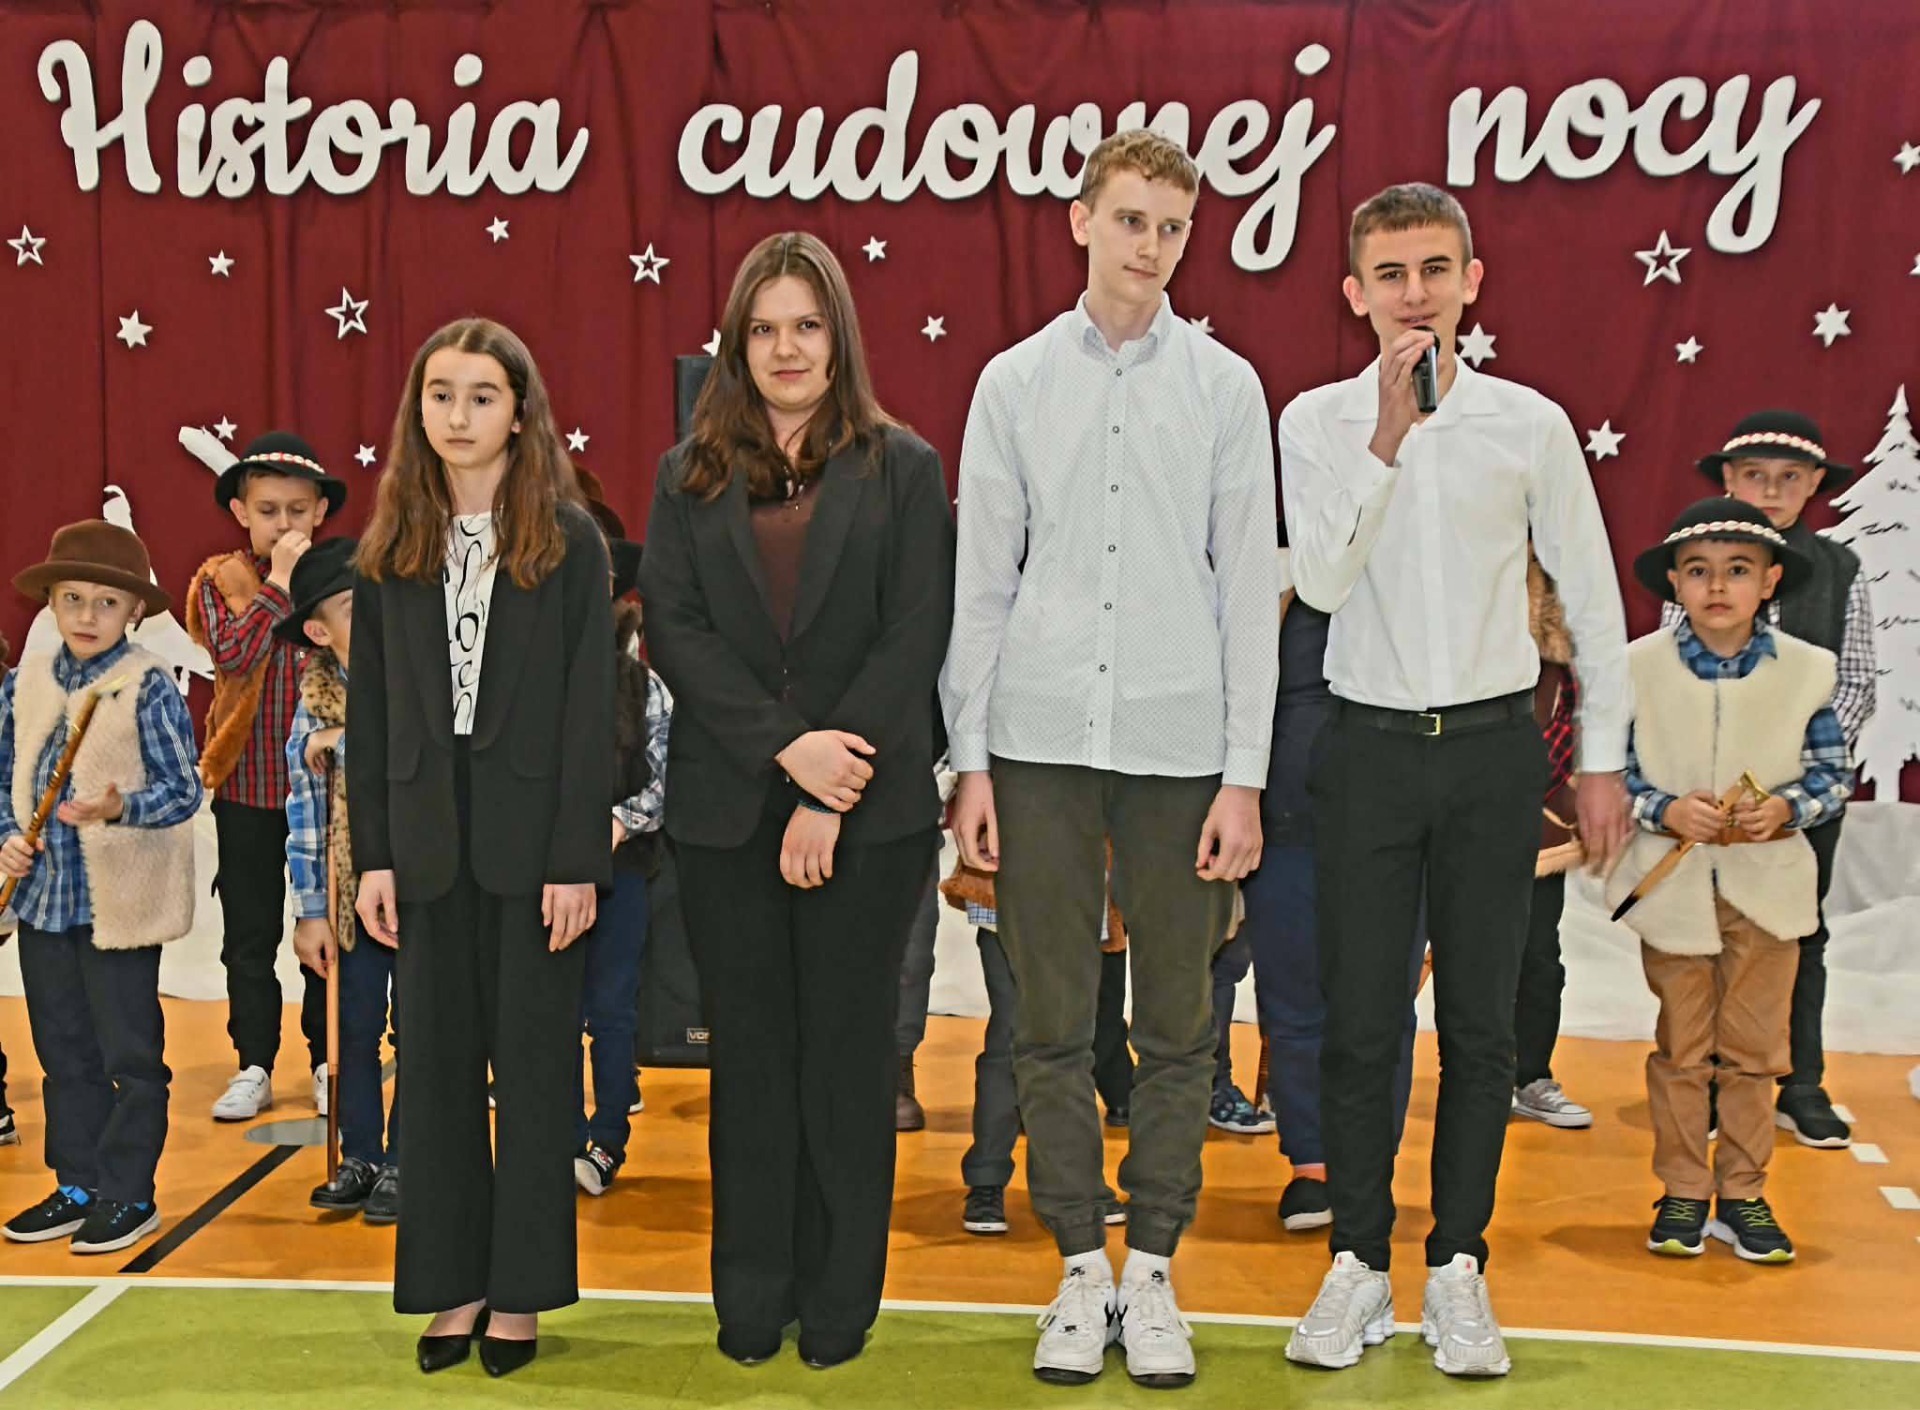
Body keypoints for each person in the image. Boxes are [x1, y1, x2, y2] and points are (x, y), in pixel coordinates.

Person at [943, 128, 1278, 1390]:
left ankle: (1156, 1269)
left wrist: (1243, 774)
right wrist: (969, 761)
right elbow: (984, 583)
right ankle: (1081, 1266)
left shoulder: (1226, 387)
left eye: (1172, 227)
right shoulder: (1014, 382)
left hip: (1181, 749)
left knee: (1180, 1027)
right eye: (1131, 218)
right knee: (1044, 1019)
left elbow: (1248, 595)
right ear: (1081, 219)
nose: (1151, 245)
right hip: (1034, 743)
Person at [1277, 183, 1630, 1379]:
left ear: (1473, 282)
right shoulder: (1317, 421)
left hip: (1489, 752)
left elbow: (1592, 598)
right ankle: (1358, 1262)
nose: (1414, 293)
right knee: (1360, 1019)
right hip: (1367, 750)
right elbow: (1323, 585)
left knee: (1481, 1023)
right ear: (1355, 293)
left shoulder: (1529, 424)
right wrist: (1386, 439)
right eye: (1390, 273)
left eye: (1435, 269)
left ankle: (1458, 1265)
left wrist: (1601, 762)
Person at [640, 231, 953, 1370]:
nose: (786, 349)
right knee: (753, 1062)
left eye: (806, 326)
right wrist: (787, 754)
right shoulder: (687, 475)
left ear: (839, 339)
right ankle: (751, 1295)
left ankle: (838, 1302)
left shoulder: (902, 468)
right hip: (727, 817)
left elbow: (914, 631)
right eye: (764, 328)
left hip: (869, 821)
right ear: (737, 345)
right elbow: (676, 631)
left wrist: (833, 785)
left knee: (847, 1063)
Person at [349, 317, 614, 1378]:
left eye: (482, 396)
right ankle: (452, 1284)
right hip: (426, 842)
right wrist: (374, 854)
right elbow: (374, 717)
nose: (458, 416)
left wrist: (577, 859)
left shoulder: (569, 541)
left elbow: (591, 712)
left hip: (534, 843)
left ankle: (520, 1296)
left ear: (520, 412)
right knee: (435, 1070)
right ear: (418, 410)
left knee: (537, 1071)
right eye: (441, 395)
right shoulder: (391, 549)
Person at [1610, 497, 1850, 1263]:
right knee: (1683, 1048)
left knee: (1754, 1052)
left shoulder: (1809, 671)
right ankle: (1683, 1189)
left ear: (1770, 581)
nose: (1718, 587)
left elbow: (1831, 774)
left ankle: (1743, 1192)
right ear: (1674, 583)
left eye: (1739, 570)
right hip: (1675, 894)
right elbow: (1613, 771)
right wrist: (1664, 808)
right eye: (1699, 571)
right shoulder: (1636, 668)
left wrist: (1785, 808)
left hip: (1768, 892)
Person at [1669, 411, 1874, 1149]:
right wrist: (1713, 773)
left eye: (1790, 478)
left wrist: (1791, 780)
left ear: (1814, 485)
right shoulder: (1696, 559)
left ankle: (1800, 1082)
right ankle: (1714, 1078)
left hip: (1803, 796)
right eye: (1755, 476)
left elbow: (1854, 683)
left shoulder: (1841, 570)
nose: (1772, 490)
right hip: (1714, 795)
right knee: (1712, 934)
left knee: (1797, 932)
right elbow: (1670, 668)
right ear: (1729, 480)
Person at [1, 521, 202, 1255]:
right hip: (45, 905)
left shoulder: (146, 685)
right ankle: (78, 1182)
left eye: (107, 602)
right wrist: (8, 835)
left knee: (130, 1056)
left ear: (134, 611)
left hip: (119, 905)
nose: (87, 615)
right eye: (72, 598)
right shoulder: (24, 684)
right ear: (51, 603)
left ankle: (129, 1193)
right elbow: (5, 776)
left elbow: (184, 790)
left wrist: (120, 808)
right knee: (63, 1053)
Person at [1241, 547, 1425, 1235]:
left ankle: (1367, 1165)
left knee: (1383, 1008)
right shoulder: (1272, 586)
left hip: (1394, 834)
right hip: (1284, 828)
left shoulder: (1411, 585)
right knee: (1292, 1005)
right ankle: (1311, 1166)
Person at [187, 432, 345, 1122]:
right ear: (241, 514)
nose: (284, 524)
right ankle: (253, 1061)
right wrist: (278, 585)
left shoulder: (340, 578)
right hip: (248, 789)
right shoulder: (220, 579)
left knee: (327, 926)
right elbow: (231, 653)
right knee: (248, 935)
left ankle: (326, 1059)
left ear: (320, 513)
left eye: (298, 510)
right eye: (269, 510)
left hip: (329, 791)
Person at [283, 537, 403, 1225]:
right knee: (352, 1027)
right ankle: (361, 1152)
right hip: (348, 894)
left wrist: (346, 743)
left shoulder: (419, 680)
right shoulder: (315, 703)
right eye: (359, 607)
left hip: (420, 886)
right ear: (320, 632)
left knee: (418, 1026)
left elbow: (416, 753)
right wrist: (310, 911)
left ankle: (408, 1157)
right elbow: (305, 813)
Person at [574, 527, 671, 1198]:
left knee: (611, 1008)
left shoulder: (644, 685)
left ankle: (607, 1138)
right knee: (547, 1012)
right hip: (538, 873)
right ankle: (553, 1136)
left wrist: (613, 825)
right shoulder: (521, 679)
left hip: (621, 869)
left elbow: (664, 779)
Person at [1510, 555, 1594, 1129]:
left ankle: (1530, 1075)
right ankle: (1479, 1075)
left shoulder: (1559, 678)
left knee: (1538, 956)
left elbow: (1566, 749)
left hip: (1537, 831)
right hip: (1447, 820)